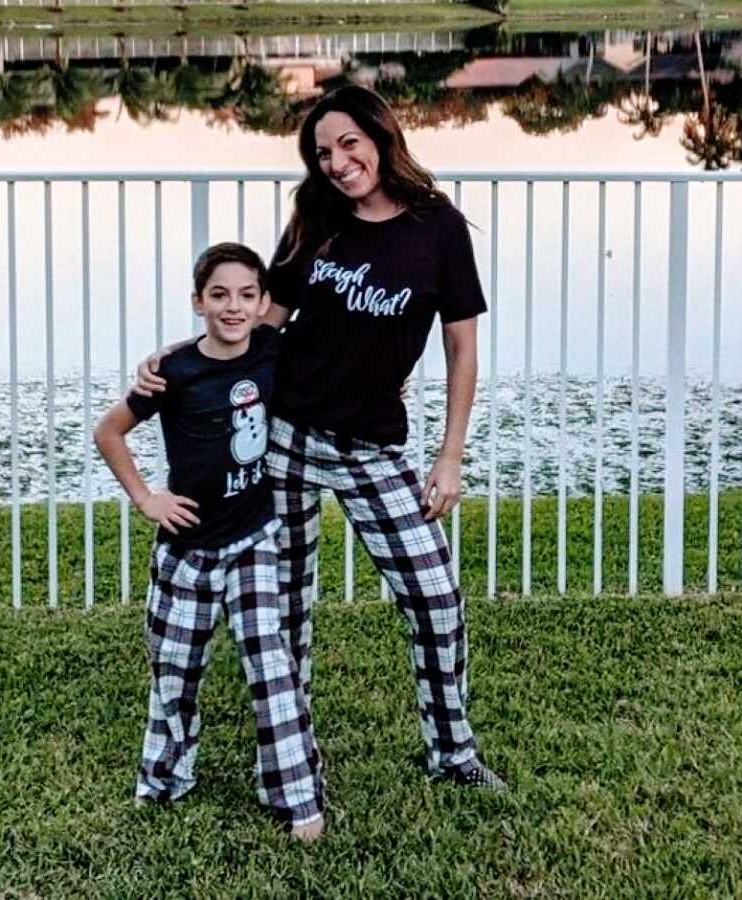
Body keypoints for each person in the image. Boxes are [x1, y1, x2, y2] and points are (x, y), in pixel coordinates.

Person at [135, 85, 506, 791]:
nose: (336, 163)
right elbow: (263, 318)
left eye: (347, 144)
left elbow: (463, 350)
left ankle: (453, 754)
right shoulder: (317, 217)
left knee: (435, 598)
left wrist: (450, 454)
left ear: (380, 136)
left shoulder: (438, 229)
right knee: (287, 610)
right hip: (284, 438)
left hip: (371, 449)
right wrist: (184, 357)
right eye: (322, 152)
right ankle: (291, 756)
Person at [94, 242, 325, 841]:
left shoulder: (274, 349)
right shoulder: (174, 371)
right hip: (187, 551)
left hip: (256, 541)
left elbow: (336, 365)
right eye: (219, 295)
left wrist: (381, 396)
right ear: (198, 302)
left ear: (264, 303)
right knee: (174, 669)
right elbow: (109, 431)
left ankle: (297, 797)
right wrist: (147, 498)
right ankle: (165, 778)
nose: (233, 307)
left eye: (247, 295)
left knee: (270, 664)